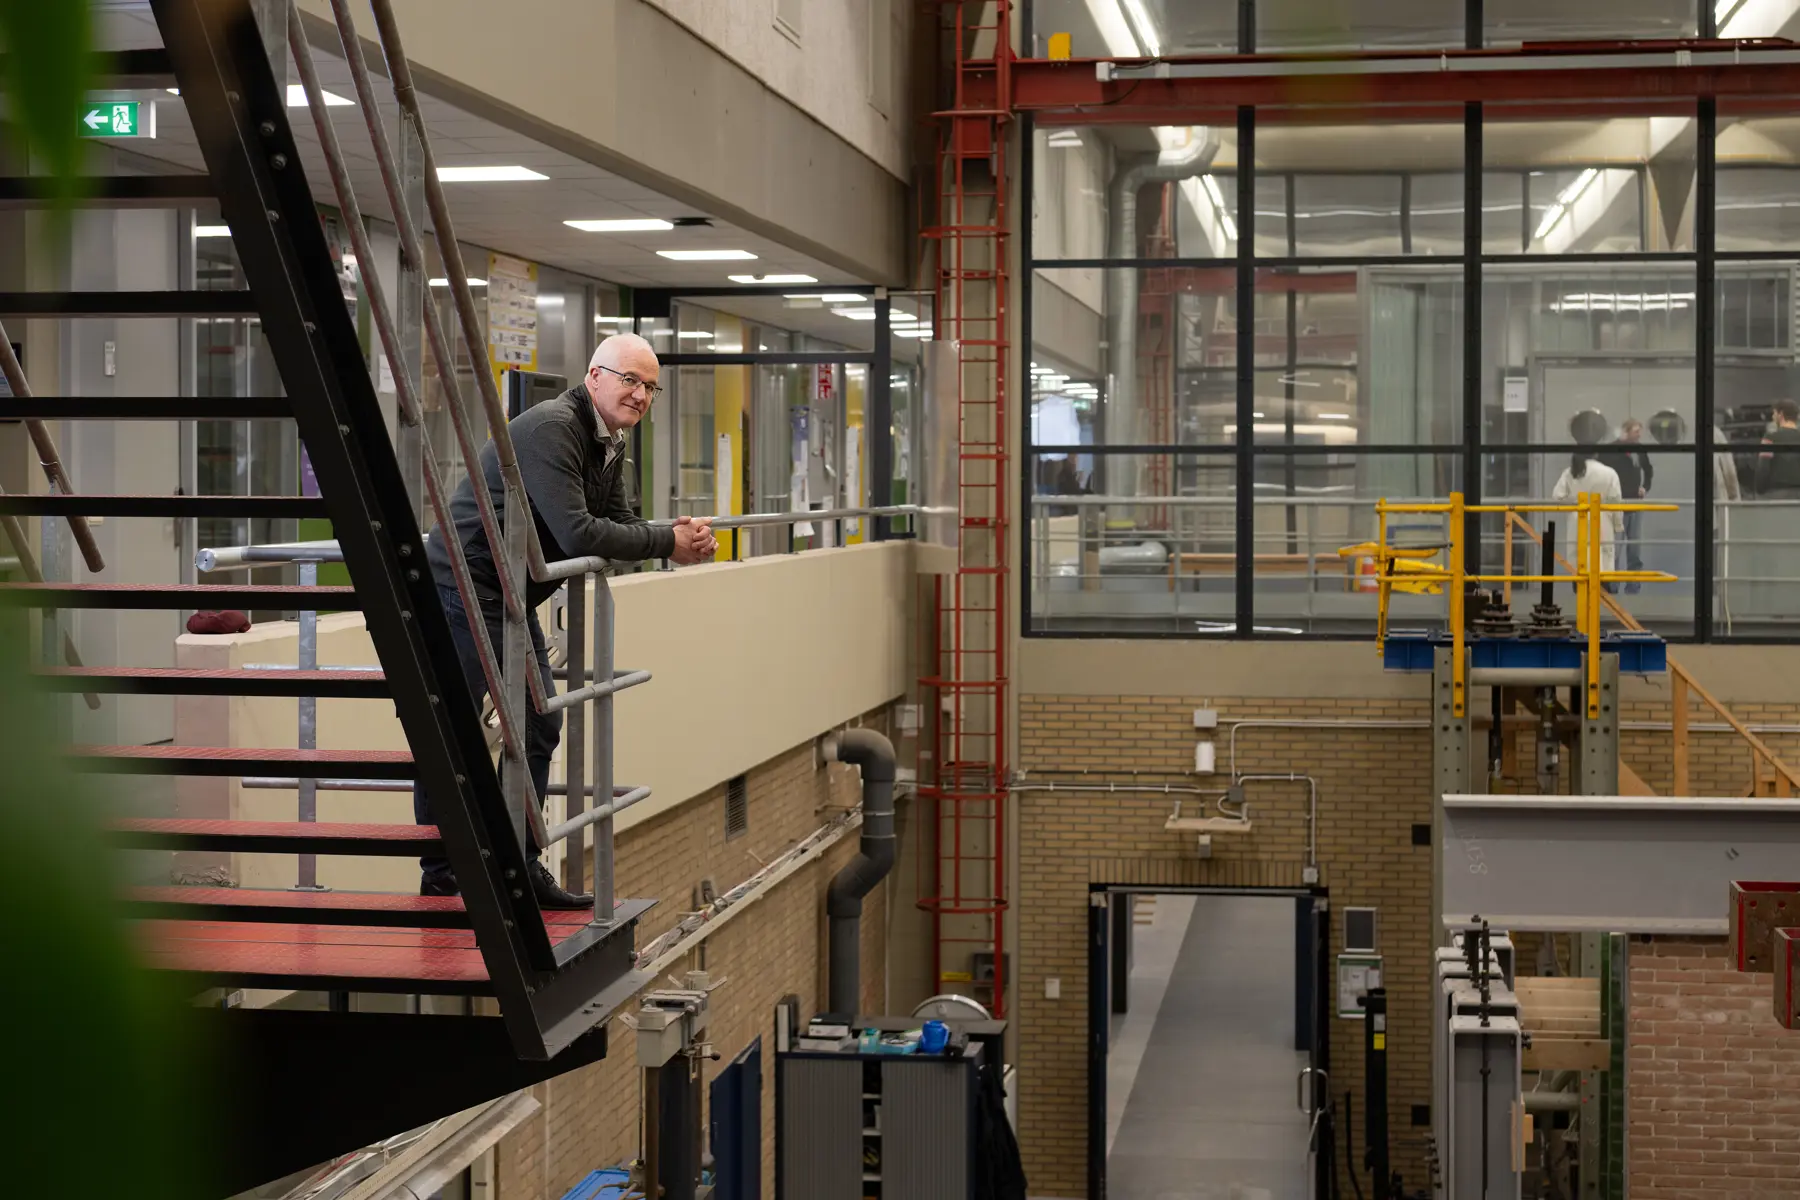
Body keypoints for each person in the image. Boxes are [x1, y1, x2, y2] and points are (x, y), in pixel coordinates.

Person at [418, 333, 717, 906]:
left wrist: (673, 537)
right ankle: (443, 875)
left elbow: (618, 519)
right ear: (595, 375)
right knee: (460, 729)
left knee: (539, 722)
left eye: (650, 387)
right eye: (629, 379)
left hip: (509, 591)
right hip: (464, 583)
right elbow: (580, 531)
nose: (640, 395)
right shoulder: (555, 427)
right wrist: (666, 543)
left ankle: (520, 867)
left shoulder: (610, 437)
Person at [1551, 451, 1625, 589]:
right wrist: (1618, 525)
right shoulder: (1609, 473)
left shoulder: (1571, 473)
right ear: (1596, 453)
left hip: (1578, 524)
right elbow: (1616, 502)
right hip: (1603, 525)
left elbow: (1557, 497)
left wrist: (1575, 504)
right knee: (1601, 570)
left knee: (1580, 572)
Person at [1598, 418, 1652, 593]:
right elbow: (1600, 473)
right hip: (1615, 507)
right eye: (1636, 431)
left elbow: (1648, 470)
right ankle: (1612, 588)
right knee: (1614, 550)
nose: (1639, 435)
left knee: (1634, 551)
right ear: (1626, 431)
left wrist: (1646, 487)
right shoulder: (1609, 451)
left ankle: (1633, 588)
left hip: (1635, 505)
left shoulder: (1639, 450)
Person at [1757, 399, 1800, 499]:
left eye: (1774, 413)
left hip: (1777, 494)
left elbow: (1763, 467)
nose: (1773, 417)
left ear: (1781, 414)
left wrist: (1760, 490)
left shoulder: (1770, 438)